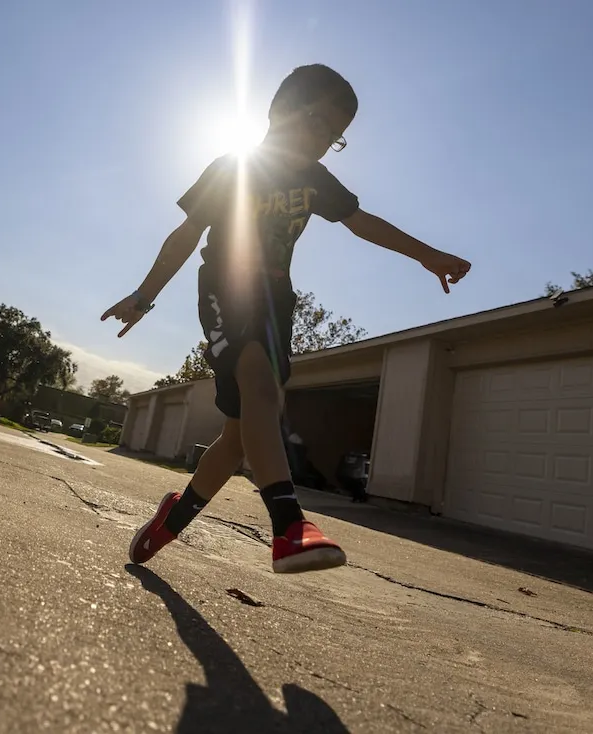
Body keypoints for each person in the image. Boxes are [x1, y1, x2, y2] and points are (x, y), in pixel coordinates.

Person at [102, 64, 471, 574]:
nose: (323, 142)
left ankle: (173, 518)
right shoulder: (232, 166)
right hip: (226, 289)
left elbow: (362, 223)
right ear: (279, 111)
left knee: (243, 431)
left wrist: (426, 255)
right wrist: (144, 295)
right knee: (256, 384)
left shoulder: (313, 179)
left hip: (276, 300)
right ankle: (289, 524)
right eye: (318, 124)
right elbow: (186, 234)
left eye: (335, 136)